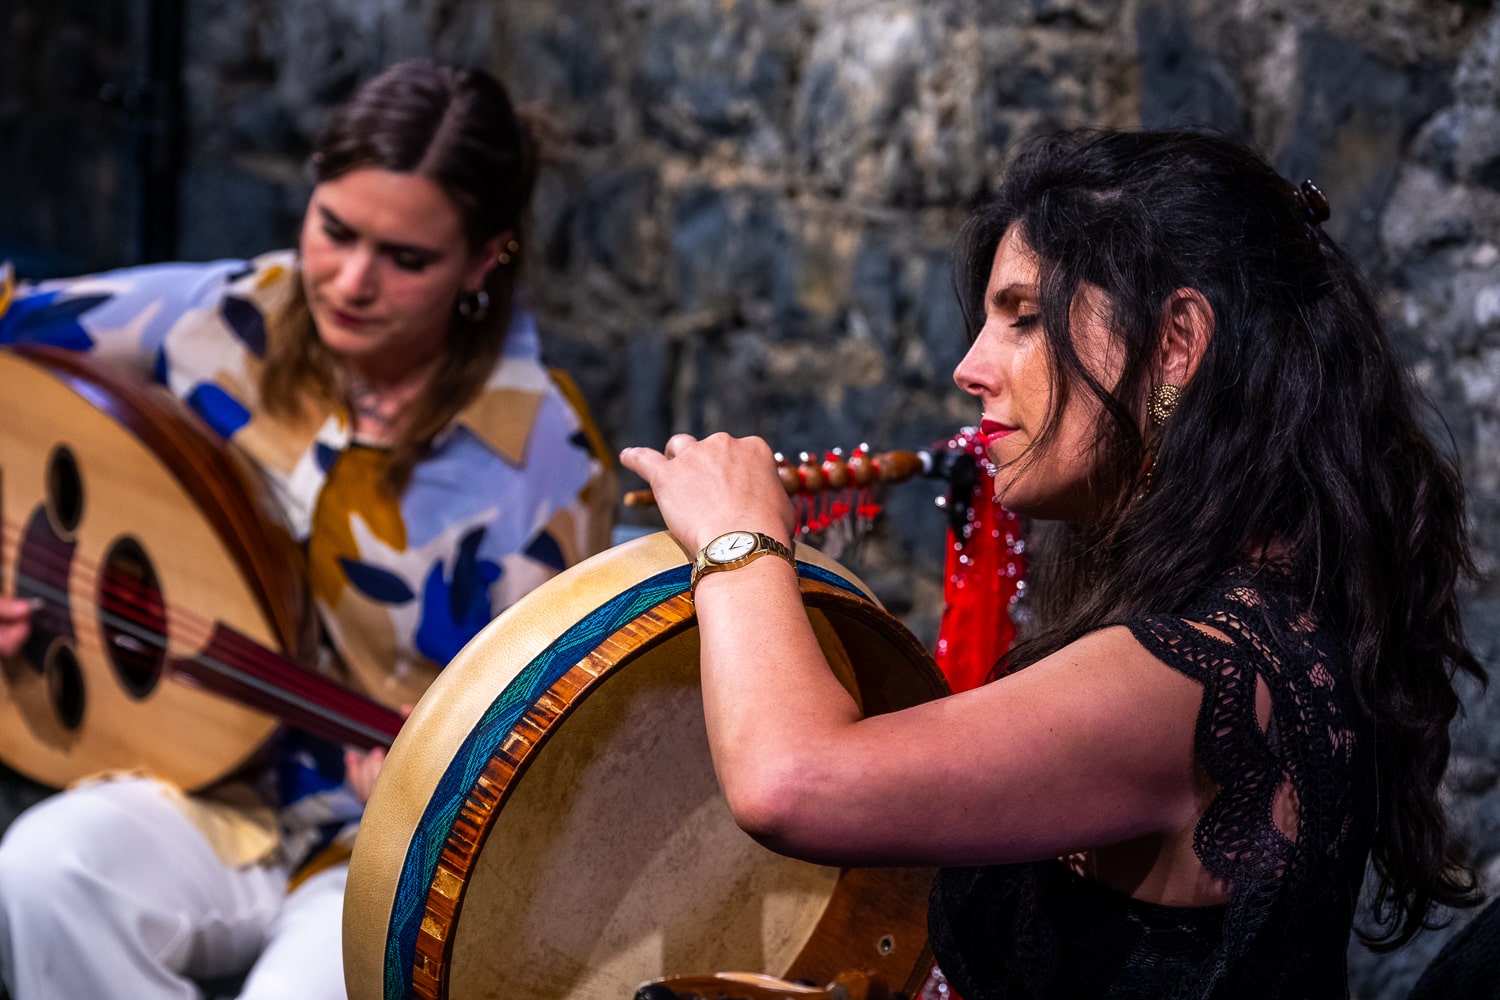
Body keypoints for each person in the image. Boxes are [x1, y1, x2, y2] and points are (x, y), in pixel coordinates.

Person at [621, 127, 1482, 998]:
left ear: (1177, 343)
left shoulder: (1197, 675)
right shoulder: (1274, 620)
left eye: (1024, 318)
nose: (970, 368)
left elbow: (788, 781)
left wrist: (740, 539)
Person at [0, 60, 613, 999]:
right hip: (196, 783)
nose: (350, 281)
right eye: (335, 230)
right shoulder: (223, 318)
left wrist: (438, 780)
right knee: (43, 872)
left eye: (406, 259)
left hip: (372, 839)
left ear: (486, 259)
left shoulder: (542, 457)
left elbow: (541, 737)